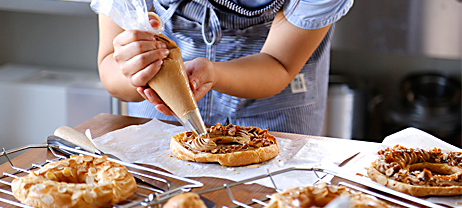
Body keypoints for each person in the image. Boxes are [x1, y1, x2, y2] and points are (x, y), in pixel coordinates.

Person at [97, 0, 353, 135]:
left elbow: (280, 63)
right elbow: (110, 66)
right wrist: (135, 68)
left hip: (275, 117)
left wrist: (215, 74)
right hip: (159, 120)